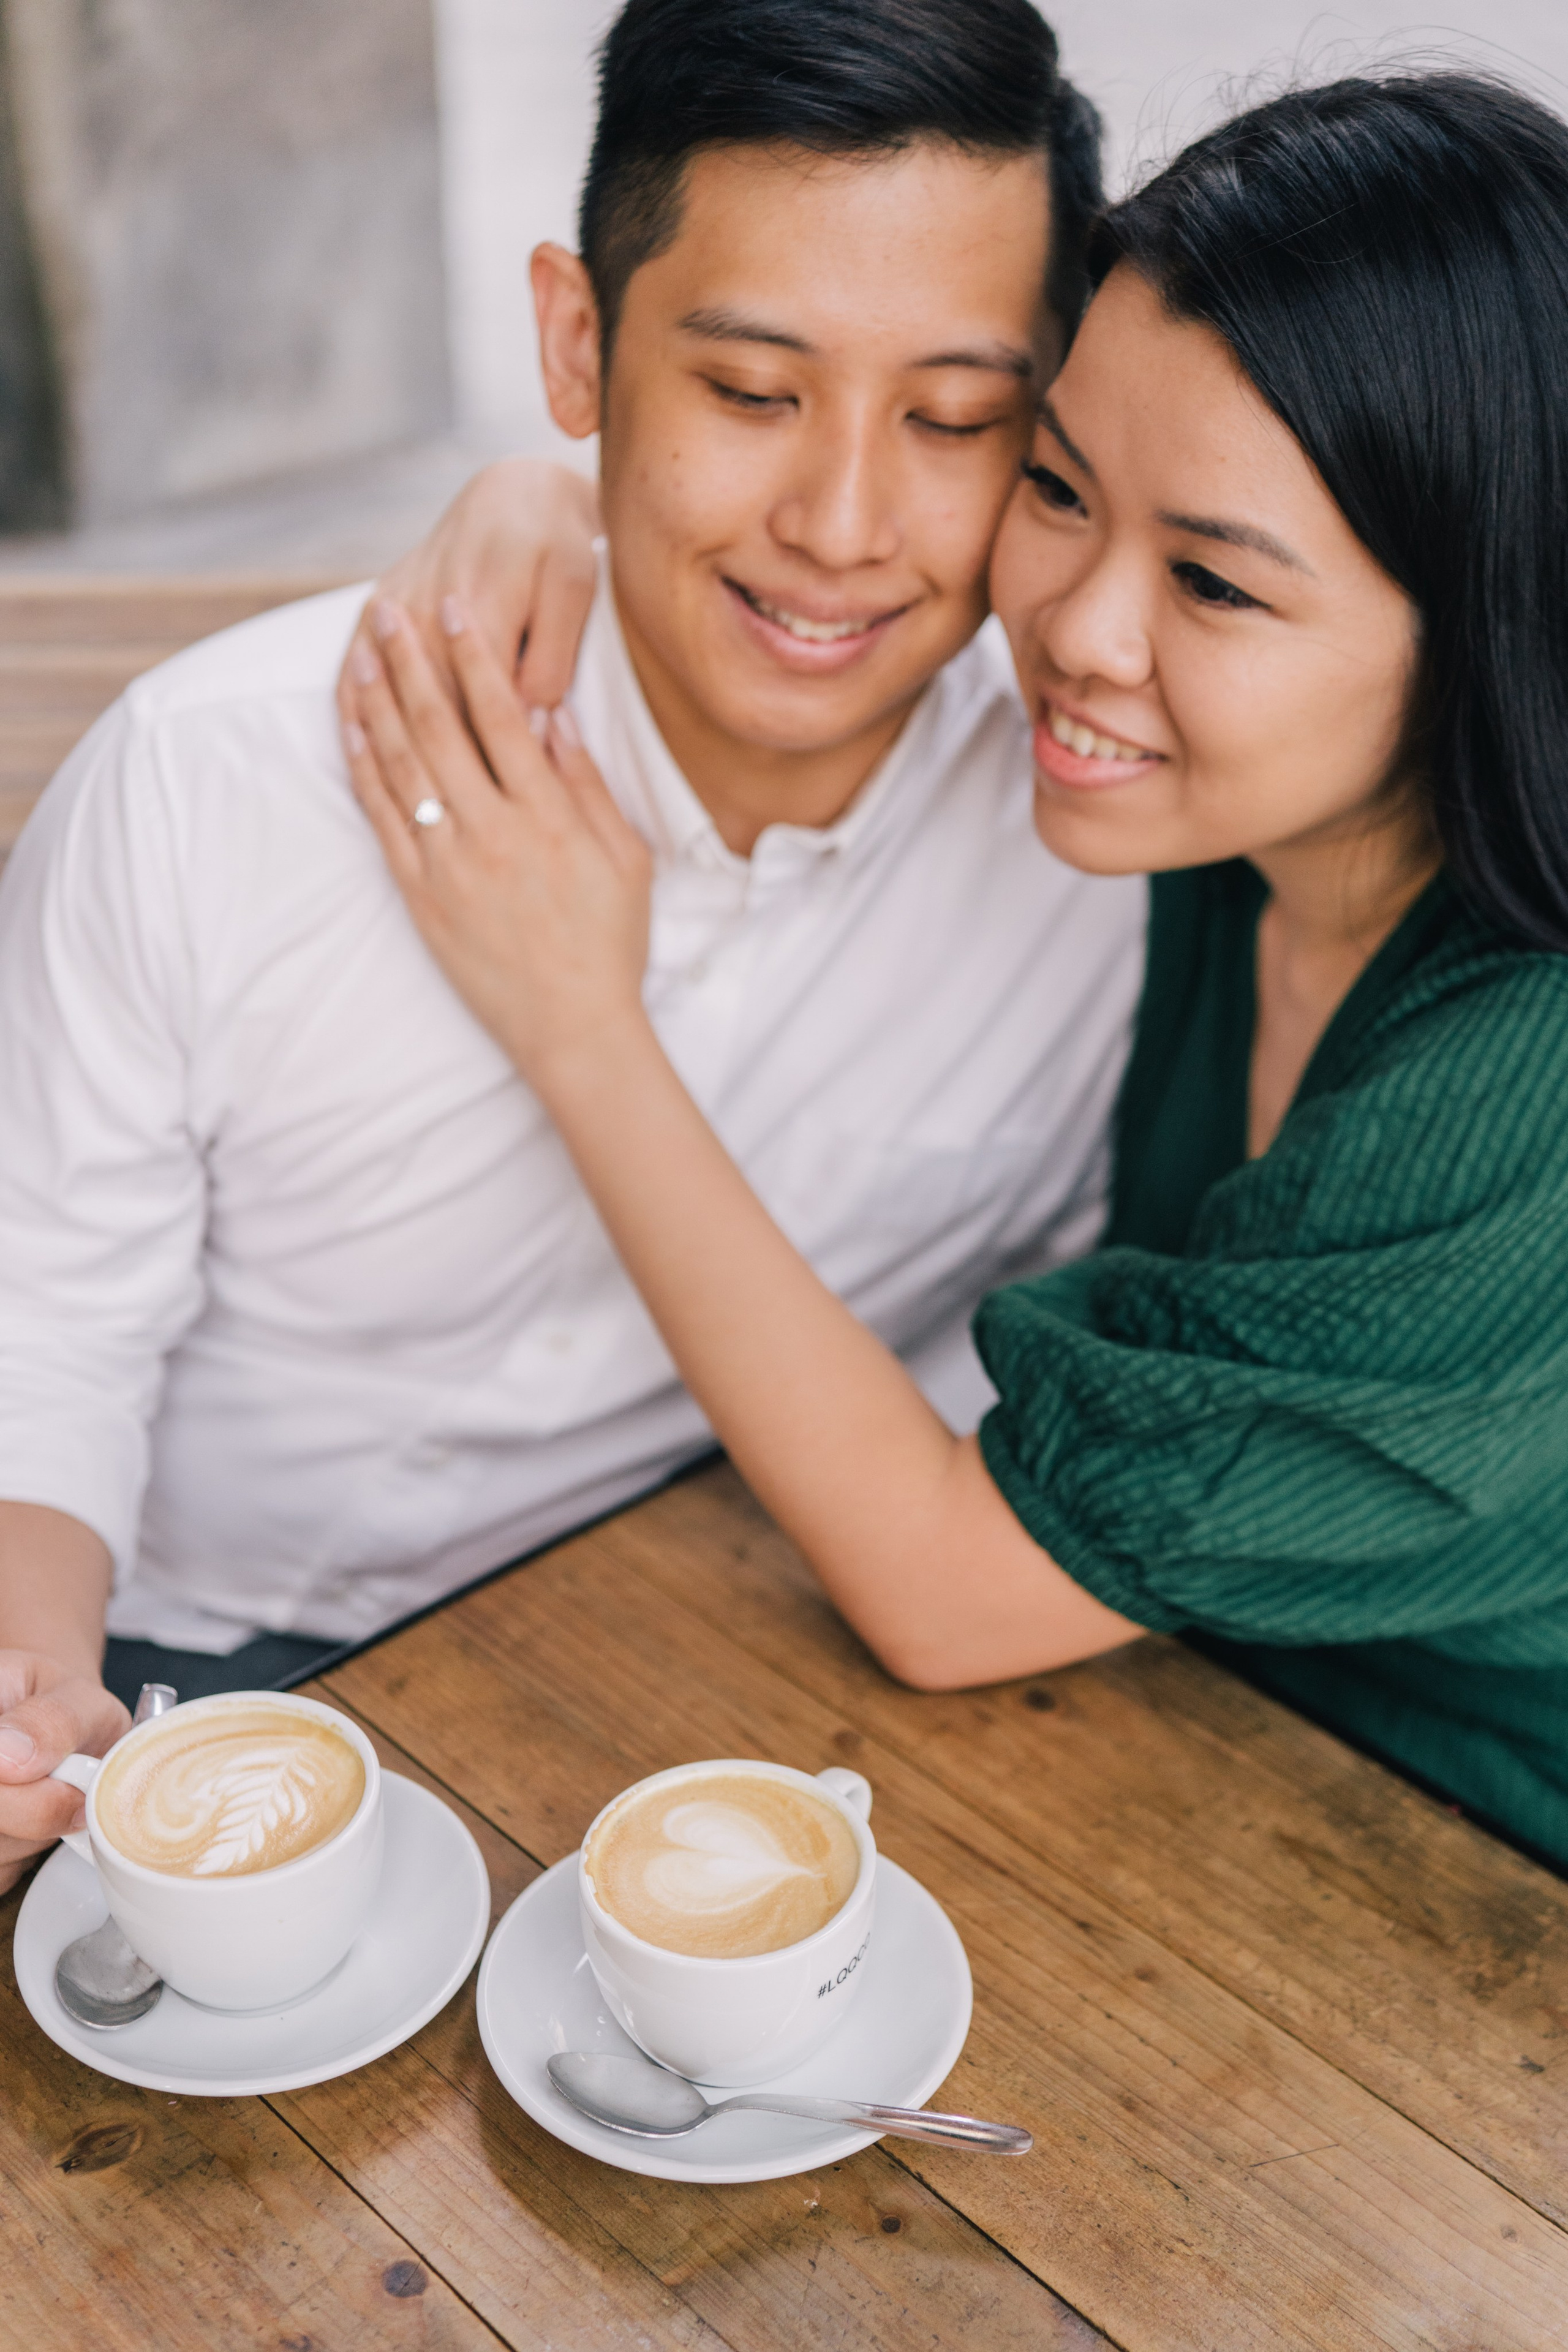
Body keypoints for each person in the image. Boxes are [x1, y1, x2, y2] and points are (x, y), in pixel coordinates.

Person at [345, 70, 1568, 1871]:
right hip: (1167, 1725)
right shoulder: (1223, 827)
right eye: (1061, 485)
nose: (1073, 632)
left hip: (1459, 1886)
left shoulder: (1512, 1088)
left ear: (1489, 629)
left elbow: (947, 1596)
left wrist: (580, 1025)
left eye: (1216, 587)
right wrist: (565, 497)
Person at [0, 0, 1145, 1889]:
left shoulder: (1104, 837)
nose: (845, 524)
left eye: (952, 419)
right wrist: (32, 1690)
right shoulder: (216, 779)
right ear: (577, 343)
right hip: (162, 1669)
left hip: (727, 1680)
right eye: (755, 394)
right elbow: (40, 1339)